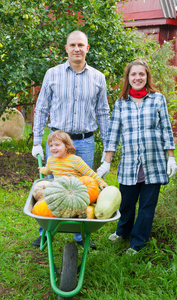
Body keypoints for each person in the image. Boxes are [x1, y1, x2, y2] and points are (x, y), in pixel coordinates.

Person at [31, 30, 110, 249]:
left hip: (83, 142)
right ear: (66, 48)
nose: (77, 48)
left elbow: (103, 113)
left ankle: (81, 235)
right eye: (72, 45)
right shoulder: (52, 74)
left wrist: (107, 149)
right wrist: (37, 141)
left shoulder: (98, 77)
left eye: (80, 45)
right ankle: (46, 231)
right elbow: (42, 108)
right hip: (56, 143)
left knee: (84, 189)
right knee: (51, 188)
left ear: (87, 49)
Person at [97, 59, 177, 255]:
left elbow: (166, 129)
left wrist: (171, 157)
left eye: (141, 74)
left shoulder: (158, 99)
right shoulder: (121, 104)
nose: (138, 78)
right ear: (128, 78)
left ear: (147, 76)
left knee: (147, 207)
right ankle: (122, 232)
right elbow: (113, 134)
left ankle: (136, 243)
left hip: (154, 163)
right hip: (129, 164)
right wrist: (106, 162)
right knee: (126, 203)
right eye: (134, 74)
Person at [39, 130, 107, 191]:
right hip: (59, 191)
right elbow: (48, 170)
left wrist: (101, 182)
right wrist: (42, 170)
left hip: (74, 191)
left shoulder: (75, 160)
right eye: (51, 146)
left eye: (57, 145)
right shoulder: (51, 160)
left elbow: (89, 173)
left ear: (66, 146)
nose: (53, 148)